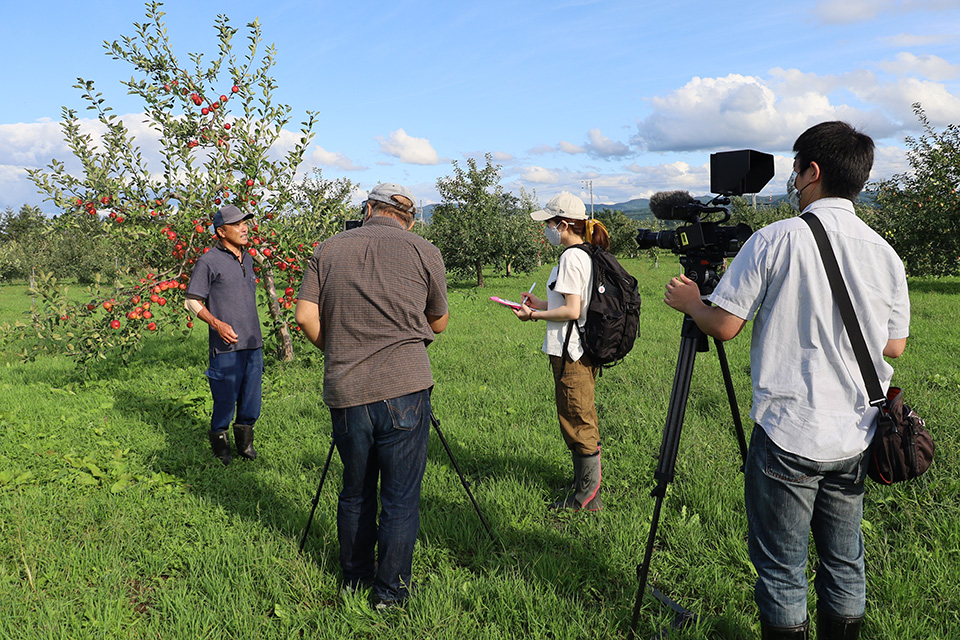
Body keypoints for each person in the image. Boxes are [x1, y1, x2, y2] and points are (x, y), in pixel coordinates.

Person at [664, 122, 910, 640]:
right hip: (857, 432)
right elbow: (894, 346)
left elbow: (725, 326)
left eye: (796, 171)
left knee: (782, 568)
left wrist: (691, 303)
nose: (793, 181)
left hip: (789, 431)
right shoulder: (885, 252)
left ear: (812, 172)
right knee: (845, 561)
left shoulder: (775, 239)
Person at [295, 182, 448, 609]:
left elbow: (305, 315)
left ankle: (354, 581)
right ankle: (390, 593)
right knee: (400, 497)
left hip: (347, 389)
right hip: (405, 386)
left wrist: (343, 348)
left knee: (355, 491)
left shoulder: (327, 248)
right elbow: (438, 322)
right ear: (410, 217)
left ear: (367, 209)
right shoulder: (423, 250)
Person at [514, 191, 610, 511]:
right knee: (575, 414)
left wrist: (535, 315)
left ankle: (587, 497)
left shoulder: (572, 257)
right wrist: (540, 304)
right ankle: (582, 485)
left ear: (565, 224)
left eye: (550, 223)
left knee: (578, 418)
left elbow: (571, 310)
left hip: (572, 351)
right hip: (576, 348)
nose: (548, 230)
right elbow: (569, 303)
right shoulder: (584, 254)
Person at [184, 204, 264, 466]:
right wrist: (217, 324)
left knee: (251, 400)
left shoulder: (248, 257)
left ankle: (245, 444)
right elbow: (192, 302)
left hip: (252, 342)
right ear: (221, 231)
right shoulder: (209, 261)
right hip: (226, 346)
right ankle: (221, 446)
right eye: (237, 224)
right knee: (225, 400)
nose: (244, 228)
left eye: (246, 223)